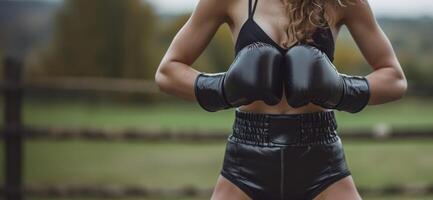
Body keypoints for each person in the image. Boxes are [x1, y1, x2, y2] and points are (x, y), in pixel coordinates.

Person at [155, 0, 407, 199]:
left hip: (320, 159)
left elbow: (395, 79)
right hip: (247, 157)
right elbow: (167, 72)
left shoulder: (342, 2)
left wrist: (340, 89)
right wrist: (222, 88)